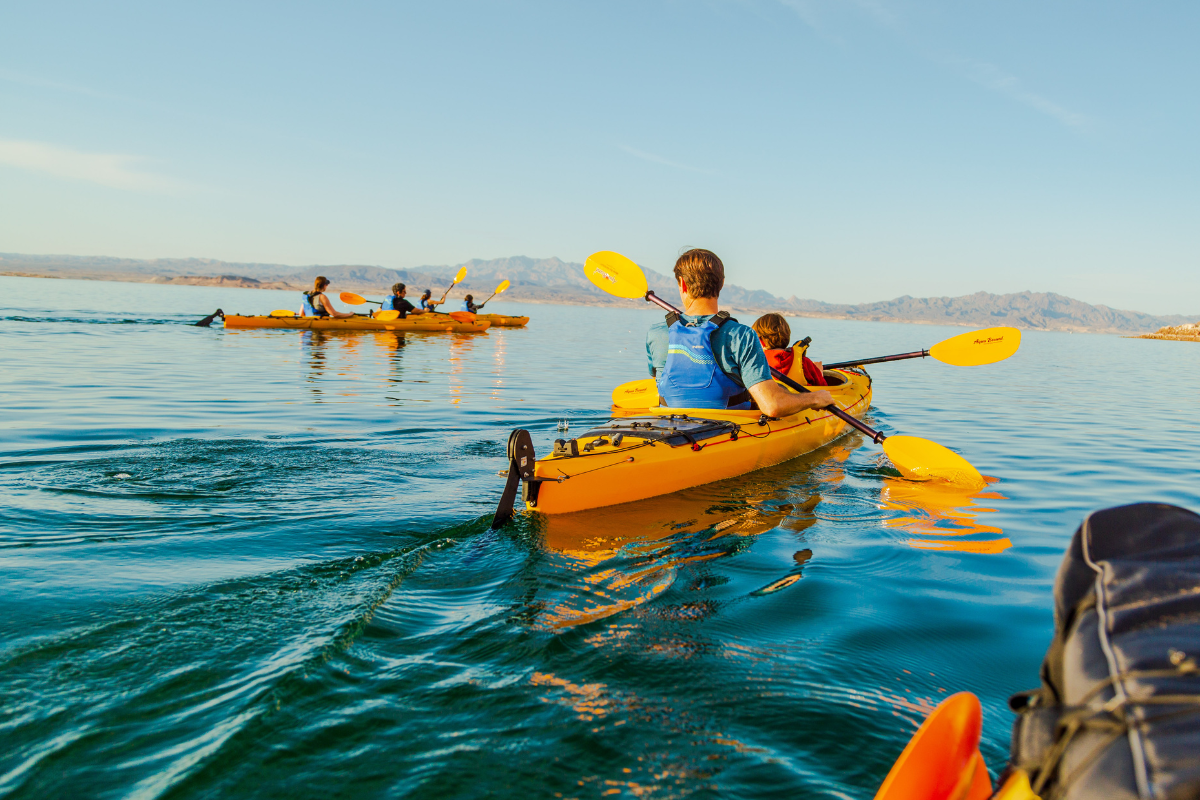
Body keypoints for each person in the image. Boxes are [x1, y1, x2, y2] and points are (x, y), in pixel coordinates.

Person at [646, 249, 834, 415]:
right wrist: (815, 398)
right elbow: (772, 406)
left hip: (668, 428)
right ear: (721, 284)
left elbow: (661, 383)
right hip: (729, 431)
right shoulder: (741, 335)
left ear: (682, 284)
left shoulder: (657, 333)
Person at [751, 313, 828, 386]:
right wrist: (819, 372)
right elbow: (824, 388)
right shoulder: (804, 362)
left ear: (760, 341)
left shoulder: (755, 362)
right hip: (801, 399)